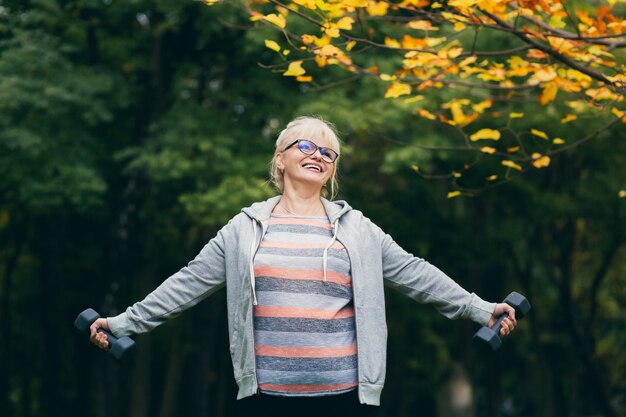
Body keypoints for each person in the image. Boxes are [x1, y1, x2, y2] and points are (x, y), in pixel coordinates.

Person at [90, 116, 517, 417]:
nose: (319, 155)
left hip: (346, 398)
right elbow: (186, 283)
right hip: (266, 398)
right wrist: (124, 323)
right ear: (280, 158)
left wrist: (479, 308)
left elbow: (415, 272)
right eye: (307, 146)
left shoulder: (357, 229)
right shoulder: (243, 229)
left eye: (329, 152)